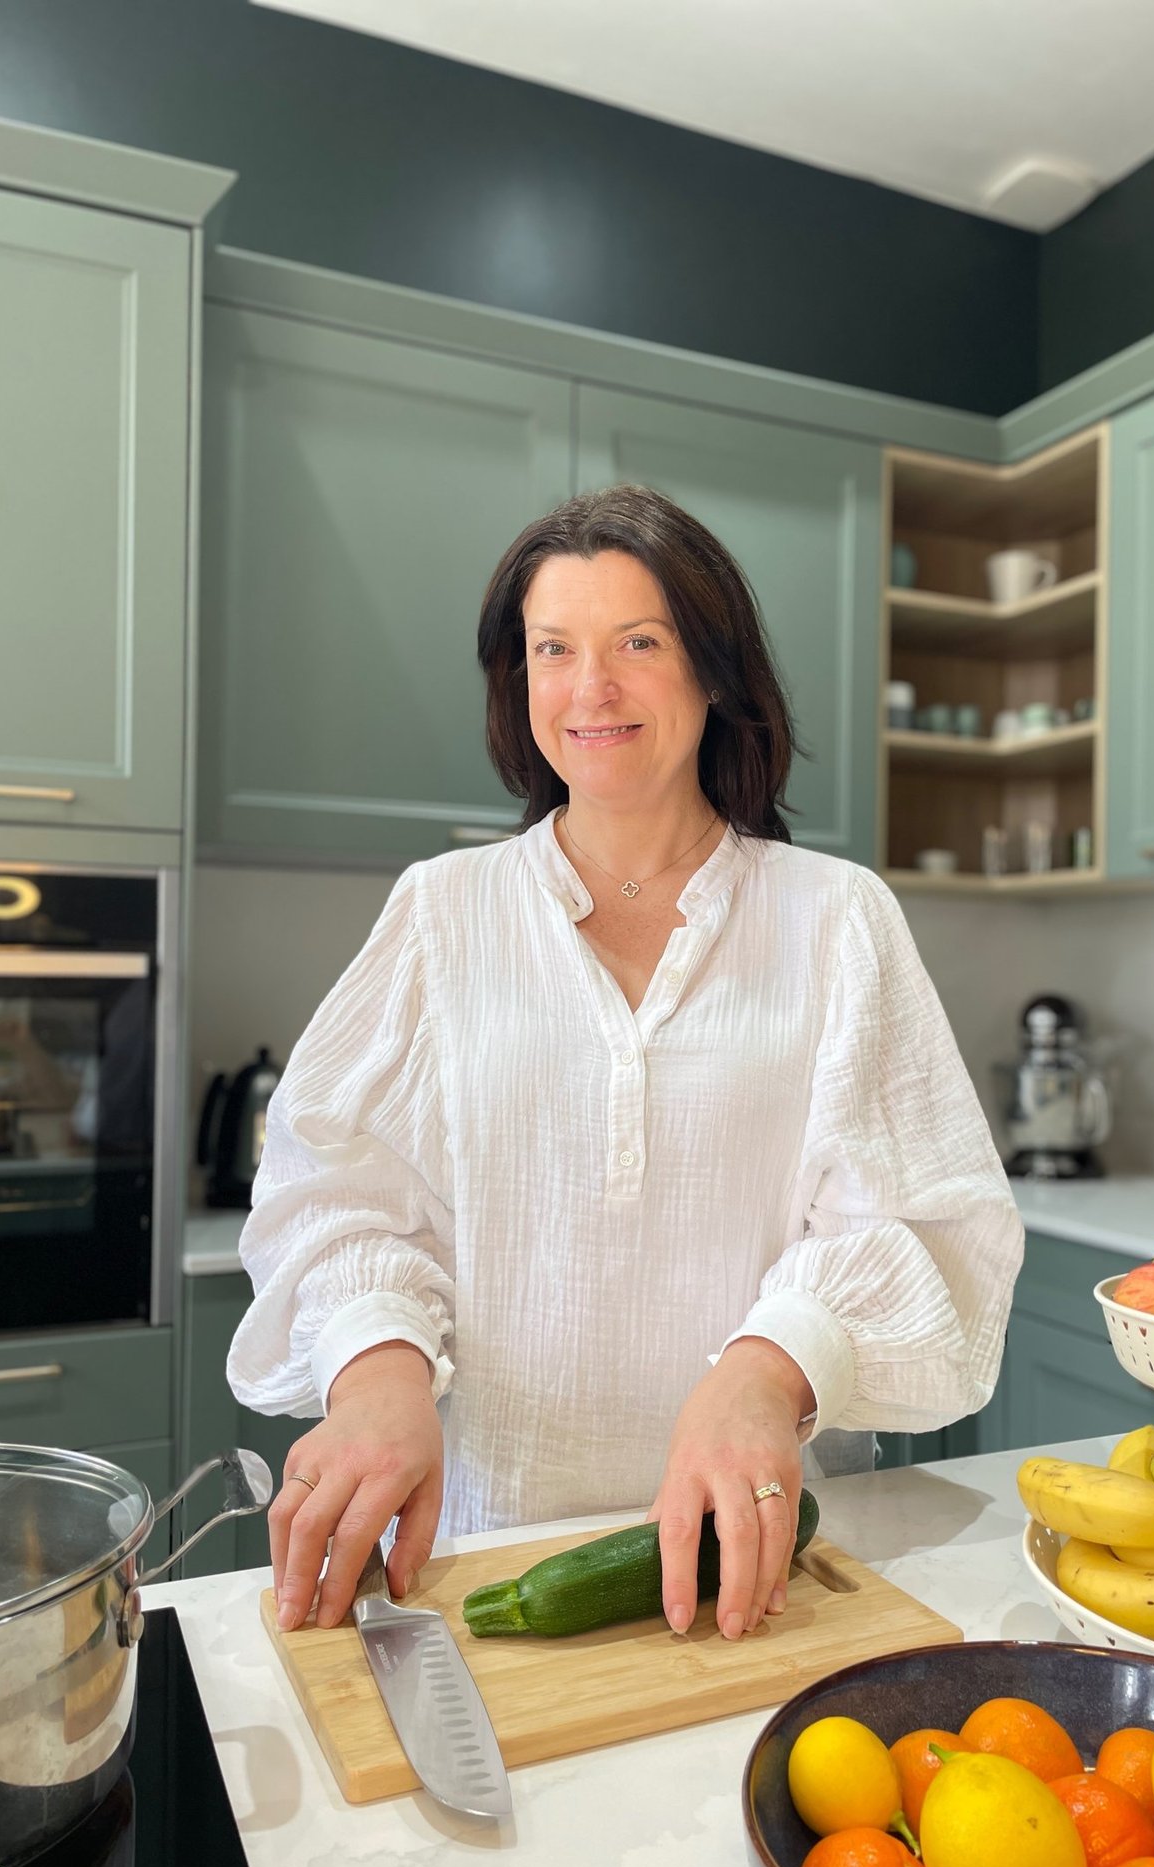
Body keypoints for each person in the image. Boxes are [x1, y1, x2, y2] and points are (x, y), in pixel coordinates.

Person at [227, 484, 1023, 1646]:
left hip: (766, 1567)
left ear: (712, 671)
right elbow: (336, 1197)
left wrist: (766, 1368)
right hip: (487, 1566)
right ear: (521, 685)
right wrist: (378, 1365)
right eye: (554, 649)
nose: (589, 688)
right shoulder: (444, 913)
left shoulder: (835, 918)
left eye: (637, 644)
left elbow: (927, 1225)